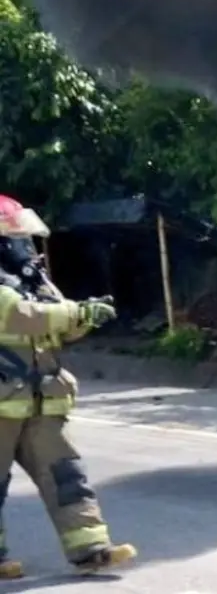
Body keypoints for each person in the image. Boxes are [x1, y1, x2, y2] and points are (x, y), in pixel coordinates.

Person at [0, 194, 136, 578]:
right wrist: (74, 312)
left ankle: (91, 549)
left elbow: (61, 323)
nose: (24, 246)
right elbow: (20, 316)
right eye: (14, 237)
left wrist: (88, 314)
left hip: (41, 403)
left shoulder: (30, 279)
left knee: (66, 477)